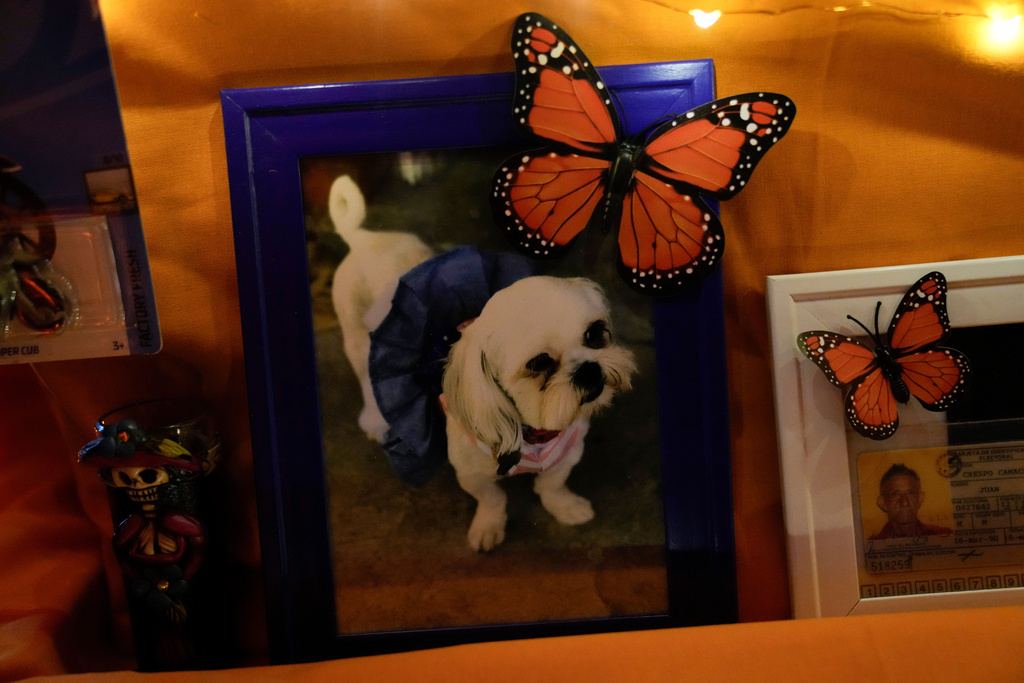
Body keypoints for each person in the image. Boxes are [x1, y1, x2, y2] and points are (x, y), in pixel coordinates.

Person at [868, 464, 952, 540]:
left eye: (910, 493)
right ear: (883, 502)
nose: (904, 502)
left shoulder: (944, 535)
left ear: (920, 498)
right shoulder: (872, 544)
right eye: (895, 494)